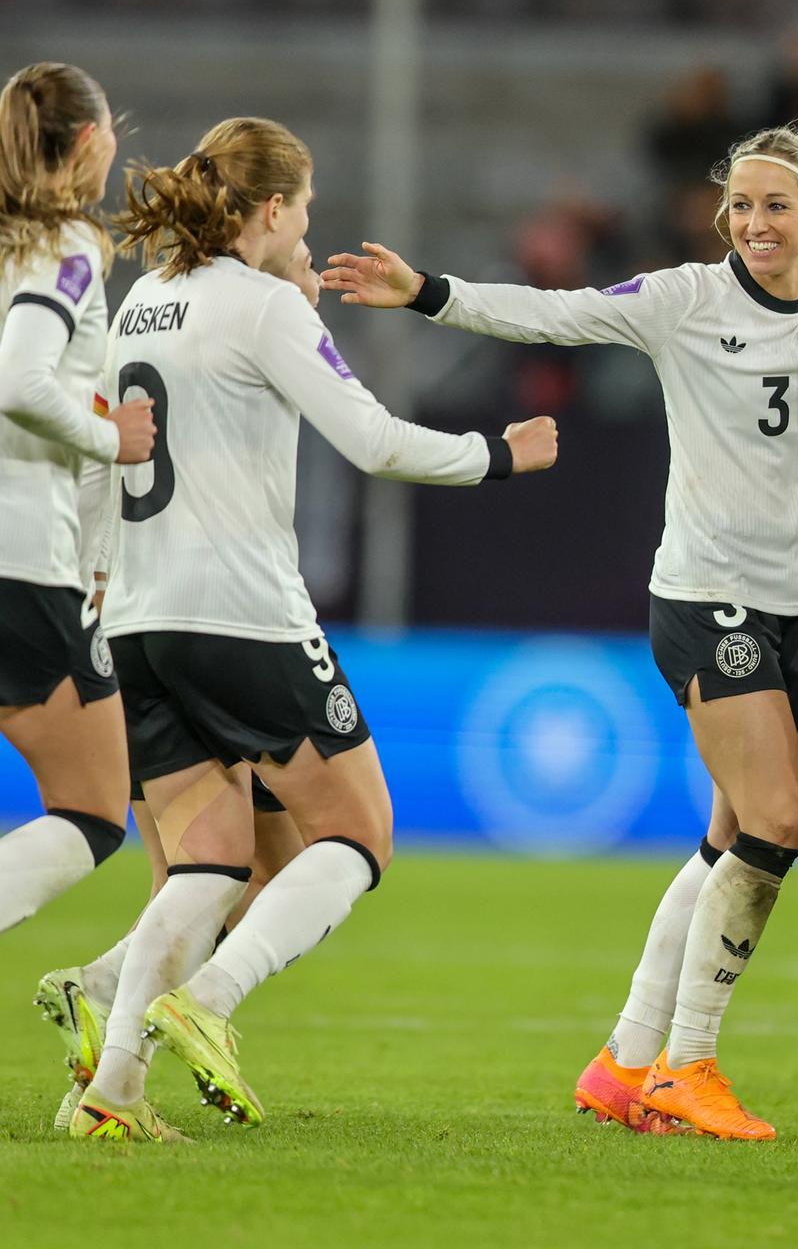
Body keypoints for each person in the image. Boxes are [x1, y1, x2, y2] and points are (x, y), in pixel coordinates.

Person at [321, 125, 798, 1140]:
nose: (754, 223)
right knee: (780, 819)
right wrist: (430, 291)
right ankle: (688, 1066)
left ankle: (625, 1062)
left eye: (776, 204)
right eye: (741, 206)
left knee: (732, 840)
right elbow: (557, 313)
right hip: (711, 595)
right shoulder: (684, 299)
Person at [68, 116, 557, 1143]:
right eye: (308, 205)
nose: (311, 224)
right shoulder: (261, 309)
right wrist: (501, 455)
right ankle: (207, 1003)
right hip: (241, 615)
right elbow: (373, 440)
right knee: (358, 833)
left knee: (208, 867)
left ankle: (111, 1086)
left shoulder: (142, 301)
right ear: (274, 208)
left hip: (139, 618)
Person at [36, 241, 319, 1130]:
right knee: (257, 861)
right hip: (222, 626)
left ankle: (117, 1037)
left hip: (134, 619)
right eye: (303, 241)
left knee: (206, 870)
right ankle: (145, 1040)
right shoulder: (255, 334)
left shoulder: (144, 322)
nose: (313, 260)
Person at [0, 61, 155, 940]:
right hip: (20, 563)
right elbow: (20, 380)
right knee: (95, 810)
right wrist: (111, 438)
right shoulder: (62, 246)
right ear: (93, 143)